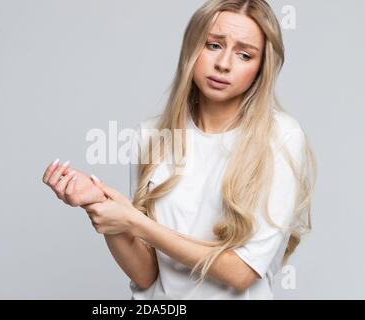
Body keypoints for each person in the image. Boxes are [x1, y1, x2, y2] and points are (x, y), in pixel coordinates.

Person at [42, 0, 317, 299]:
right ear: (192, 48)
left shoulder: (281, 136)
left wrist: (135, 221)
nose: (224, 63)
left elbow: (241, 273)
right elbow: (147, 274)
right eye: (213, 45)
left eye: (244, 54)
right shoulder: (150, 136)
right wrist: (99, 204)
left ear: (261, 67)